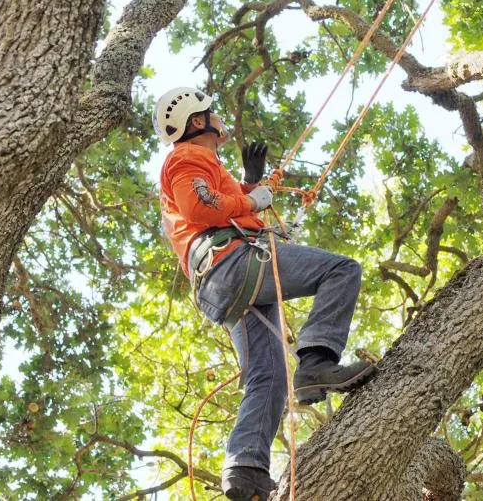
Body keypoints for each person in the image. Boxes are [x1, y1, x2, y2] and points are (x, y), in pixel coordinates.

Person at [153, 86, 376, 500]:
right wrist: (254, 197)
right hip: (232, 262)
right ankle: (317, 361)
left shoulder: (205, 163)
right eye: (211, 113)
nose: (219, 118)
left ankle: (246, 470)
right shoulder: (187, 157)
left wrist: (249, 183)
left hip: (220, 283)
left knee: (268, 378)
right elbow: (199, 208)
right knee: (341, 271)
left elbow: (222, 201)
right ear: (196, 122)